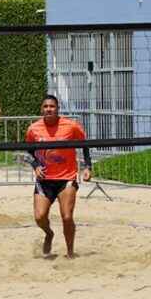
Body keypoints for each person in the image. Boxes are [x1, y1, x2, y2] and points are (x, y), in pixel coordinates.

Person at [25, 94, 92, 259]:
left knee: (67, 216)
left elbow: (85, 144)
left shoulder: (71, 126)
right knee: (40, 217)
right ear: (42, 109)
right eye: (46, 106)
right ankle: (49, 233)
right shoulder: (34, 129)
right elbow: (28, 150)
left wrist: (87, 166)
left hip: (66, 178)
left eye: (52, 106)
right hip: (45, 180)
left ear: (57, 109)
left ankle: (70, 252)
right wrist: (35, 166)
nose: (49, 109)